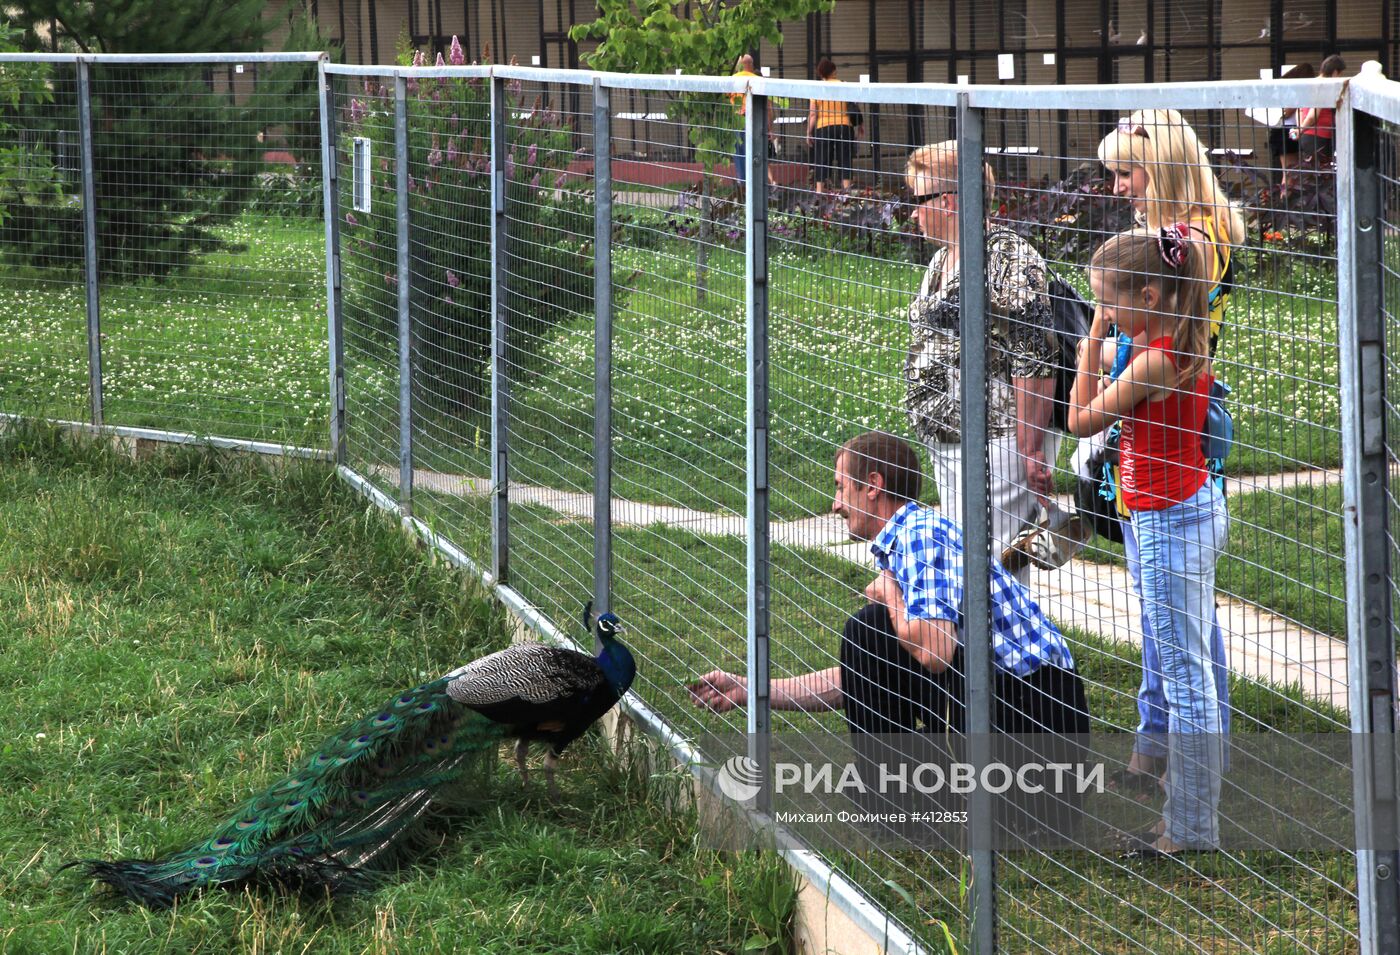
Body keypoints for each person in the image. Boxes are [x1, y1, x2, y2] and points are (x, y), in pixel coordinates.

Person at [688, 431, 1089, 741]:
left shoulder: (919, 536)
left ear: (873, 485)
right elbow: (859, 678)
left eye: (840, 487)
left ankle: (899, 805)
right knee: (872, 637)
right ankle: (906, 800)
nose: (835, 504)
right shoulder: (914, 533)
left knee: (869, 629)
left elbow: (934, 650)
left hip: (1037, 718)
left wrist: (889, 592)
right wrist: (750, 689)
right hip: (1029, 716)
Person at [1068, 226, 1229, 857]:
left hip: (1168, 521)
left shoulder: (1155, 360)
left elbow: (1080, 418)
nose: (1104, 311)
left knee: (1187, 679)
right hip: (1176, 509)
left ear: (1153, 293)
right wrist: (1110, 336)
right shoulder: (1168, 337)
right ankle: (1183, 820)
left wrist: (1091, 342)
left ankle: (1189, 831)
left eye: (1110, 298)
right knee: (1184, 666)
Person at [1096, 109, 1241, 799]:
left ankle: (1190, 760)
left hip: (1170, 428)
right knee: (1167, 604)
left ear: (1168, 167)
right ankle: (1161, 741)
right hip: (1150, 426)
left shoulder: (1193, 240)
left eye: (1130, 171)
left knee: (1179, 611)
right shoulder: (1172, 234)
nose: (1121, 186)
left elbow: (1167, 316)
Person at [903, 140, 1089, 585]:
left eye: (918, 200)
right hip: (954, 441)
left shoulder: (1007, 258)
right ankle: (981, 653)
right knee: (972, 559)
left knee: (995, 570)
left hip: (999, 443)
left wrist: (1029, 450)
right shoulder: (943, 257)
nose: (912, 213)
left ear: (948, 201)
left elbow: (1035, 357)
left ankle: (1009, 655)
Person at [806, 58, 862, 193]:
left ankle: (820, 191)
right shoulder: (845, 85)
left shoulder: (817, 89)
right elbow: (854, 106)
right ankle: (847, 192)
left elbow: (813, 114)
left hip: (823, 127)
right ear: (834, 71)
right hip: (844, 126)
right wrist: (860, 124)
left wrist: (808, 132)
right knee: (845, 158)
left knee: (822, 160)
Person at [728, 54, 775, 196]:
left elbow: (727, 100)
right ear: (752, 65)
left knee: (740, 155)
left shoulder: (733, 80)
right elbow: (767, 107)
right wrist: (769, 128)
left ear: (740, 66)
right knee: (757, 154)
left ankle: (744, 187)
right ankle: (760, 188)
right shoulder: (759, 80)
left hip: (738, 122)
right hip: (756, 121)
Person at [1294, 54, 1347, 175]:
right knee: (1321, 175)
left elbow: (1300, 110)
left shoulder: (1309, 83)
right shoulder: (1323, 87)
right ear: (1334, 72)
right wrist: (1300, 130)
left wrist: (1300, 129)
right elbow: (1313, 115)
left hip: (1307, 136)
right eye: (1340, 74)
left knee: (1311, 173)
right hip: (1319, 137)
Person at [1273, 62, 1316, 193]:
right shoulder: (1295, 92)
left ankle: (1289, 204)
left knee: (1291, 173)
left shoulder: (1284, 89)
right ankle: (1286, 205)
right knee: (1289, 174)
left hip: (1284, 131)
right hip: (1287, 132)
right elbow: (1286, 112)